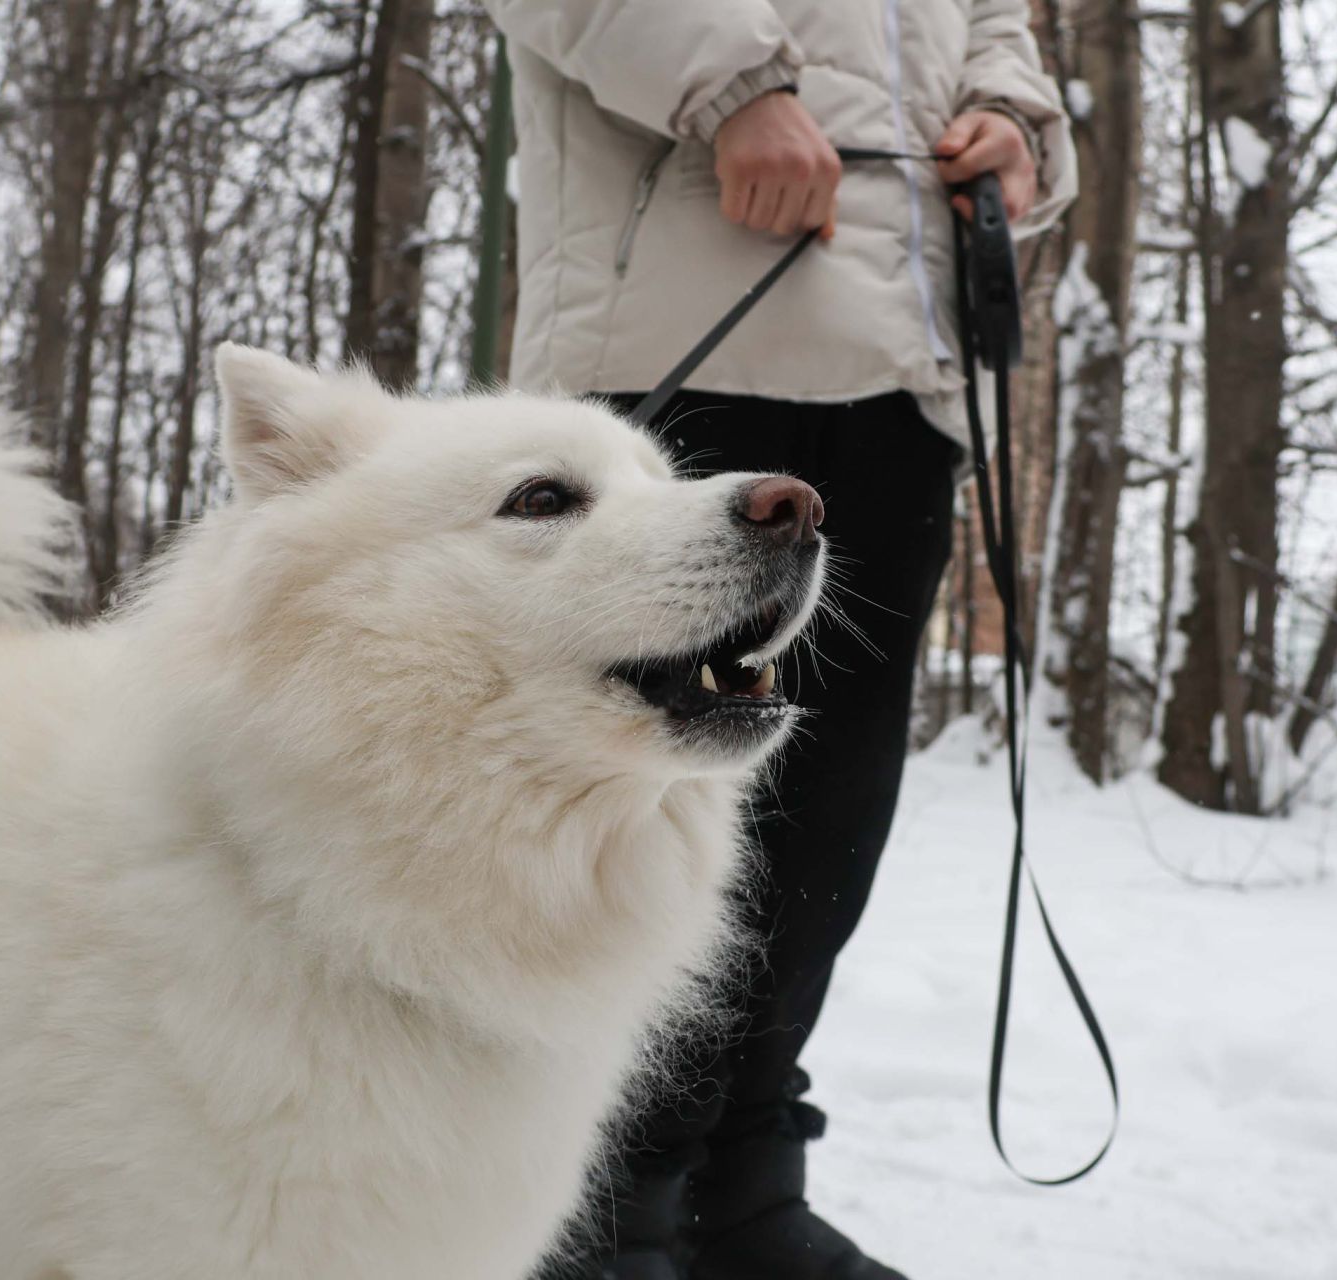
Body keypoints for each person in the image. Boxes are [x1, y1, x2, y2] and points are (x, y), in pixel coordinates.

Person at [478, 4, 1077, 1277]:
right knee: (628, 815)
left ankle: (738, 1200)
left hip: (901, 373)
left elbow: (989, 20)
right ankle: (595, 1215)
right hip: (677, 333)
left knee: (823, 819)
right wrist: (731, 88)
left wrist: (1019, 124)